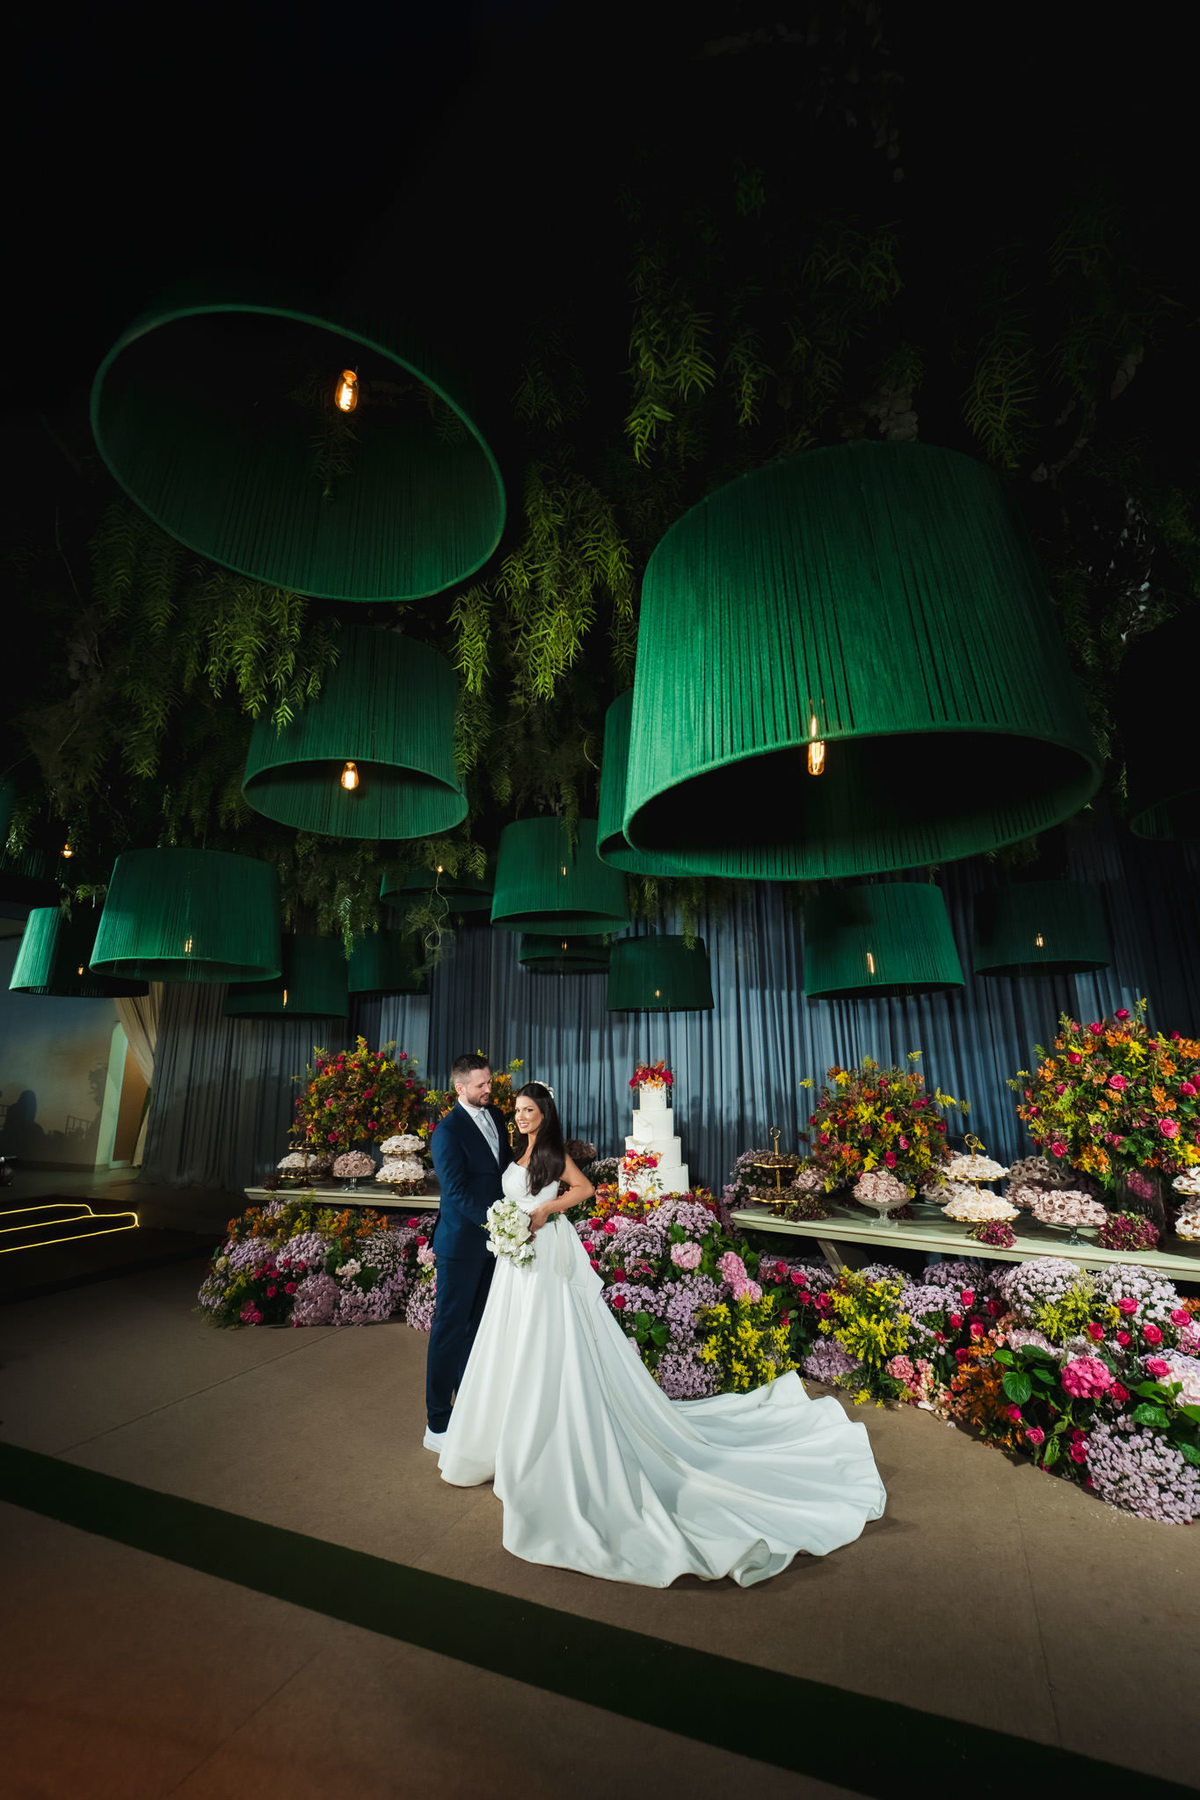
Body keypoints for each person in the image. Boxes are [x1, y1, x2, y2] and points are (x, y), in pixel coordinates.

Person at [437, 1080, 887, 1588]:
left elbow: (585, 1190)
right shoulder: (516, 1150)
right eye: (517, 1111)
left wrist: (545, 1210)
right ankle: (502, 1437)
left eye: (528, 1110)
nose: (520, 1117)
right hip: (515, 1263)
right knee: (507, 1343)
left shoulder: (552, 1154)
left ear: (544, 1113)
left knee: (543, 1345)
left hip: (543, 1257)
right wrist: (508, 1223)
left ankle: (542, 1436)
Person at [424, 1053, 513, 1452]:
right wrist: (500, 1223)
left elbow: (502, 1172)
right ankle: (438, 1421)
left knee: (478, 1328)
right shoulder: (446, 1132)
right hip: (461, 1245)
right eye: (481, 1085)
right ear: (460, 1088)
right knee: (449, 1330)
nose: (489, 1089)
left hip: (493, 1245)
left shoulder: (495, 1117)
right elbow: (456, 1193)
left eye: (489, 1081)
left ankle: (470, 1409)